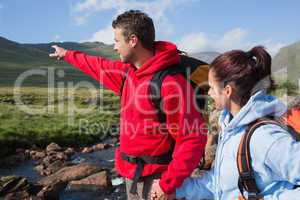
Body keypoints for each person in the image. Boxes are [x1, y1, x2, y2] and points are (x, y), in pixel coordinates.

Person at [49, 10, 207, 200]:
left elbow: (192, 138)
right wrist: (66, 54)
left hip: (158, 179)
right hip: (131, 174)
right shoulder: (127, 74)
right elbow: (96, 64)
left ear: (133, 40)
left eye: (117, 40)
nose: (114, 47)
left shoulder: (170, 83)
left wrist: (168, 184)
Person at [174, 46, 300, 200]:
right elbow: (219, 184)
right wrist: (175, 191)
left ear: (227, 91)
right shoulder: (231, 129)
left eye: (212, 87)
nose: (208, 93)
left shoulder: (266, 138)